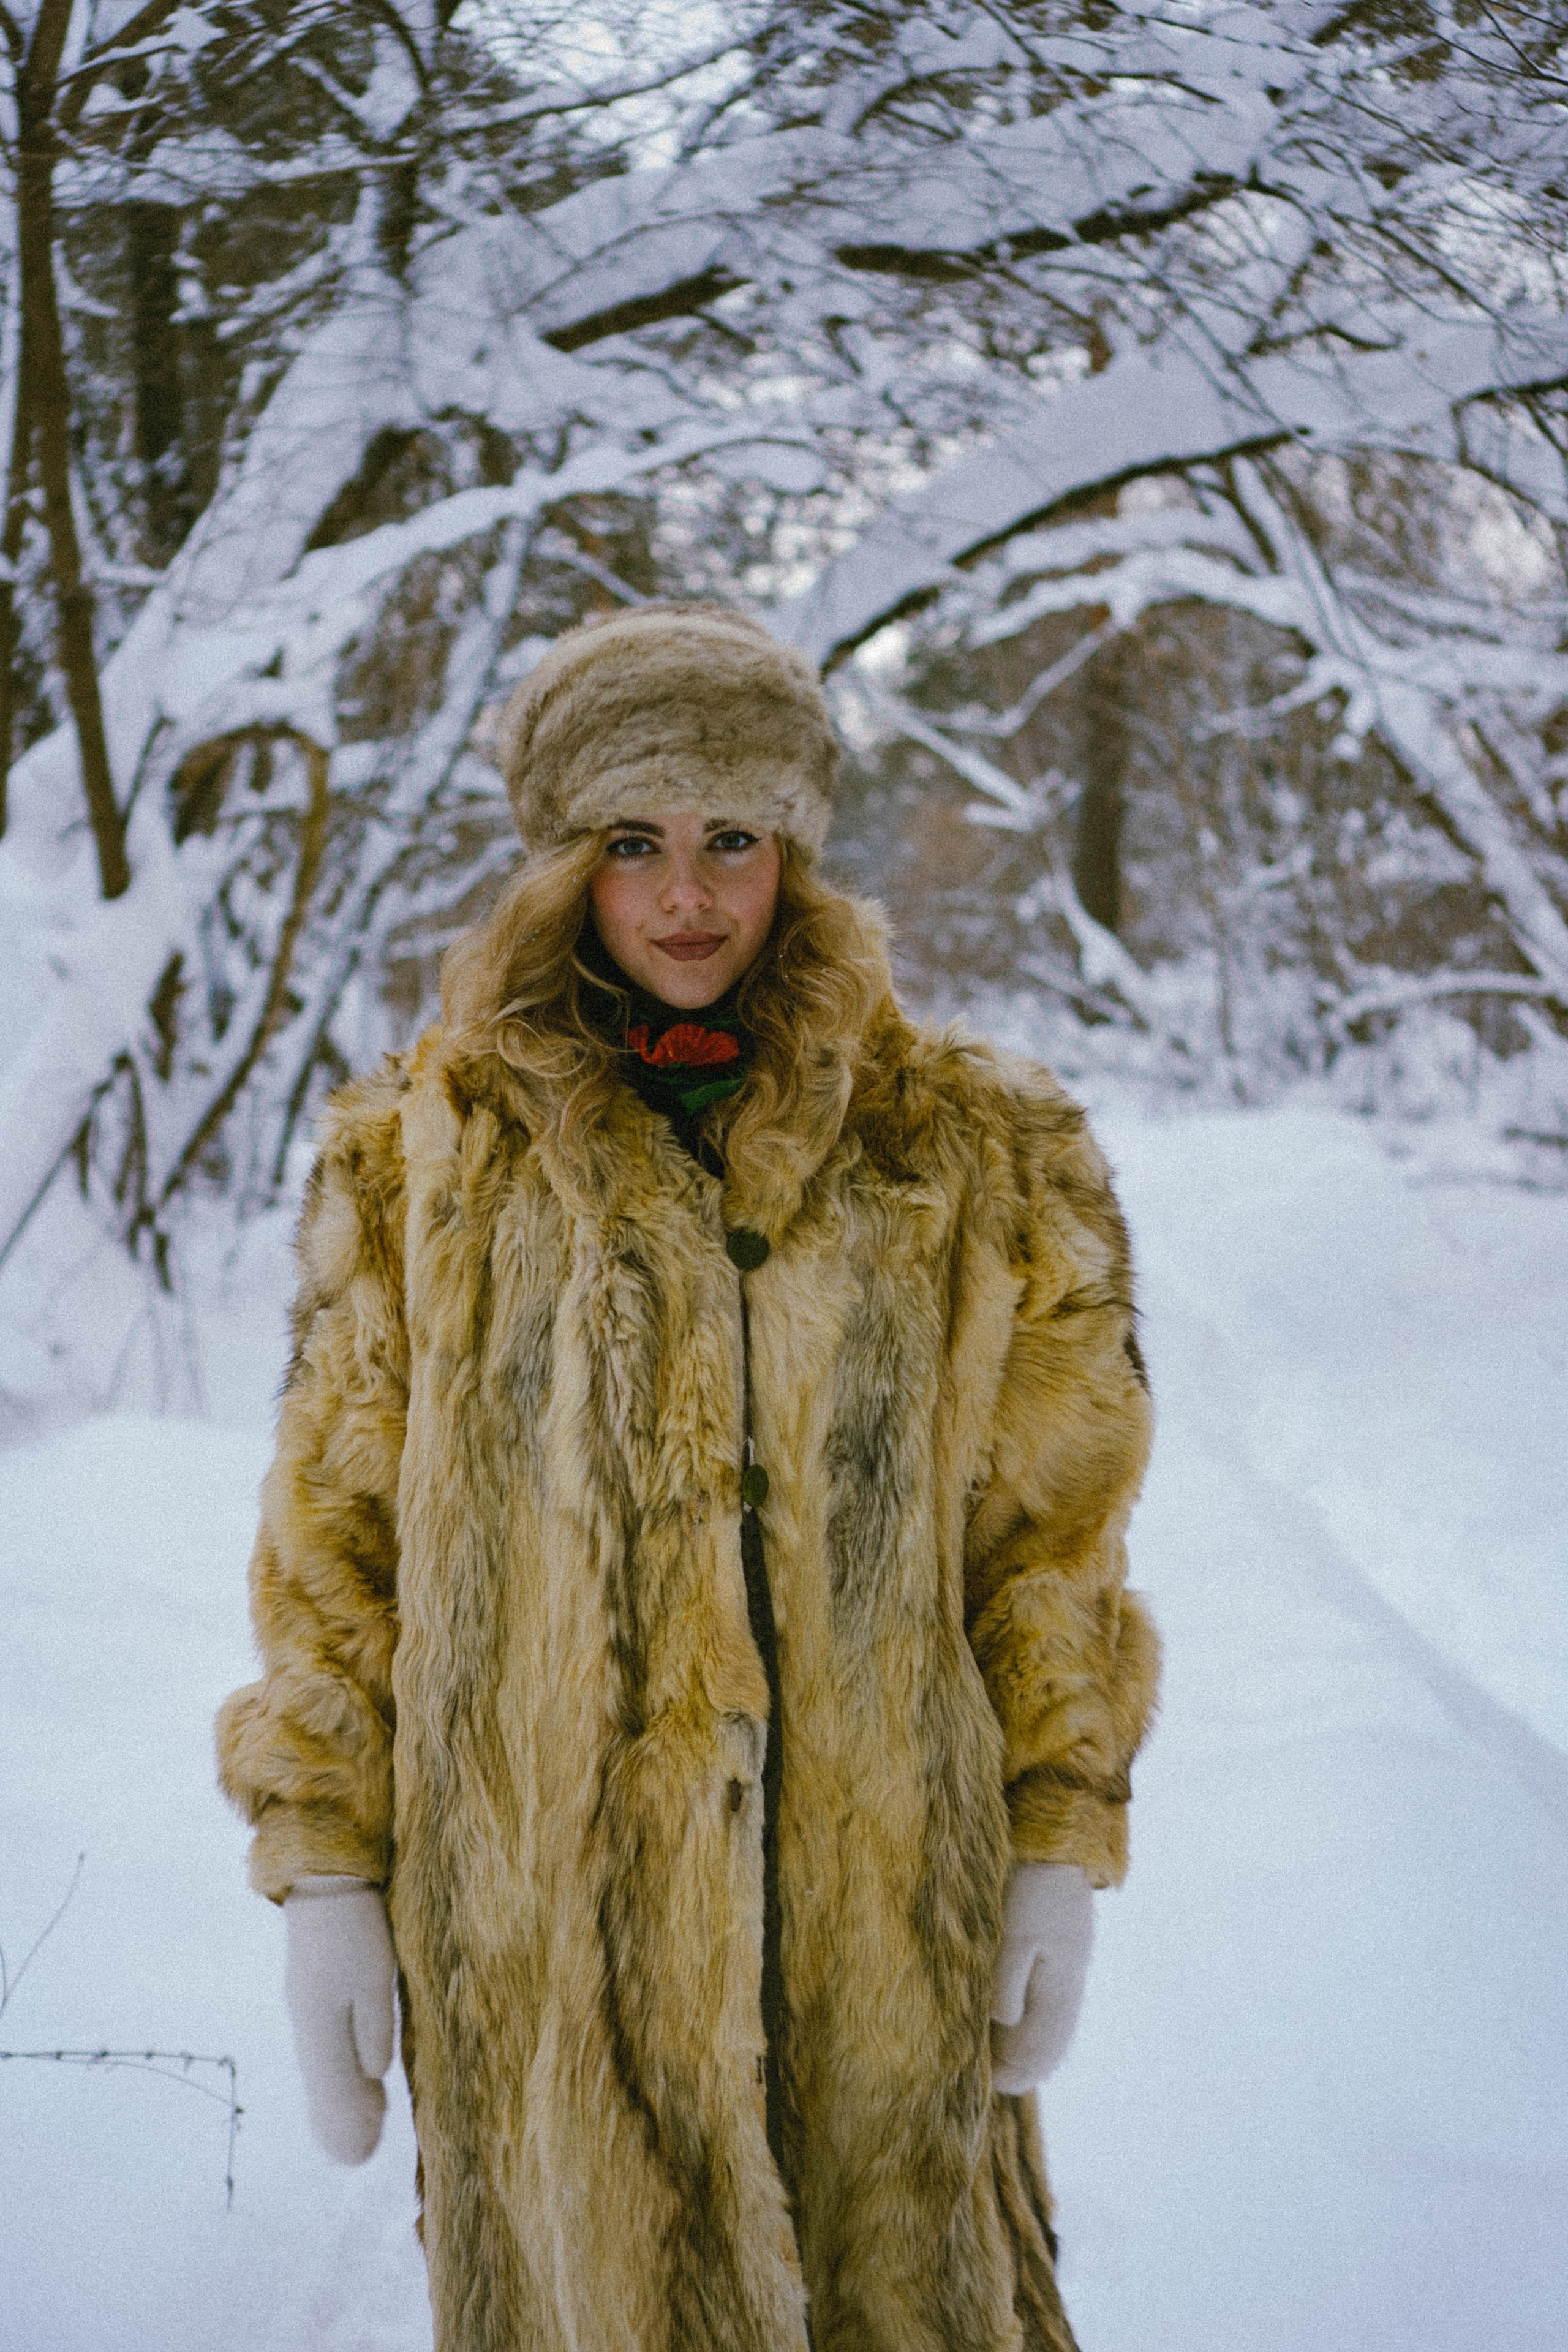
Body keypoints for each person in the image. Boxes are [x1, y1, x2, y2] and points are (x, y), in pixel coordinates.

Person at [216, 601, 1159, 2352]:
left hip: (881, 1948)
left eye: (734, 839)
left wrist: (1051, 1833)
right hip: (547, 1972)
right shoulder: (415, 1163)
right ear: (564, 861)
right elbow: (336, 1545)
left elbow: (1055, 1538)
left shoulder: (975, 1146)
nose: (688, 897)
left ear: (794, 848)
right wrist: (330, 1874)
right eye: (633, 844)